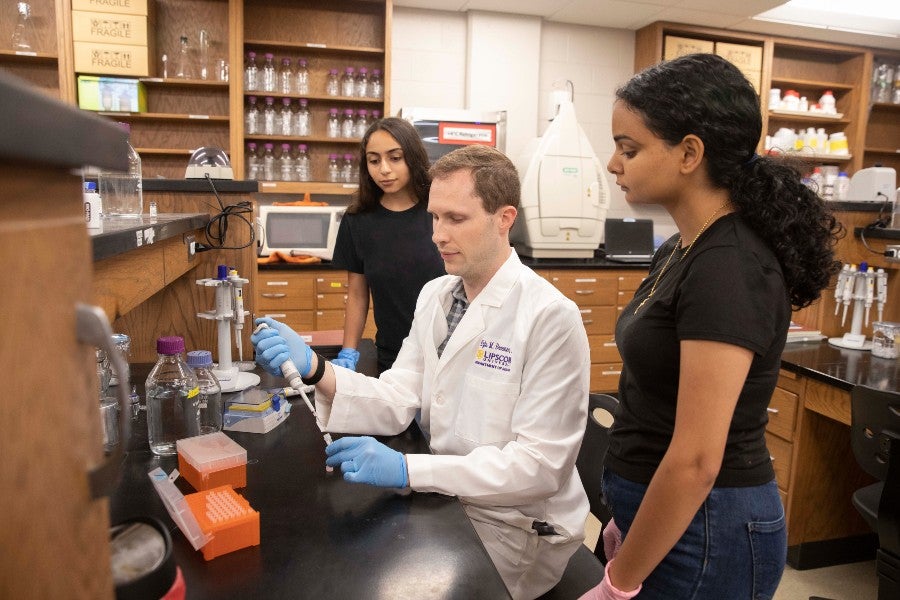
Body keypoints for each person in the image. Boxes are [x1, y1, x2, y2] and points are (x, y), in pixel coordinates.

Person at [253, 144, 591, 600]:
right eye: (434, 217)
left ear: (504, 218)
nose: (437, 235)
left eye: (456, 219)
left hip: (515, 527)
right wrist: (317, 369)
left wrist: (406, 468)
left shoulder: (549, 316)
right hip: (448, 500)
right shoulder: (437, 294)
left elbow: (539, 469)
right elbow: (399, 396)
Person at [579, 53, 842, 600]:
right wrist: (632, 520)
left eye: (629, 149)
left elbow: (697, 459)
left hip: (707, 533)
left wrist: (619, 583)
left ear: (689, 153)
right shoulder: (683, 247)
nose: (613, 163)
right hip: (665, 522)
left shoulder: (730, 265)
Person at [330, 117, 445, 374]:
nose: (383, 169)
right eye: (374, 160)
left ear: (412, 157)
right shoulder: (357, 221)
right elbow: (358, 295)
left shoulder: (439, 212)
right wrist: (349, 351)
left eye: (395, 158)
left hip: (448, 352)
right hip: (394, 356)